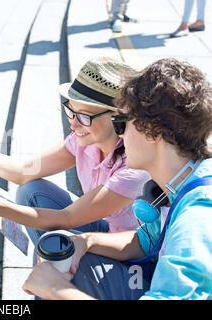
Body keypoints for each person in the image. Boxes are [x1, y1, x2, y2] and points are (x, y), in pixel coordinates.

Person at [22, 58, 212, 300]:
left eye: (121, 124)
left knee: (69, 276)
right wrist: (85, 240)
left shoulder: (197, 217)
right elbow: (145, 241)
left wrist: (56, 290)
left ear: (152, 131)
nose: (119, 136)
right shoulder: (184, 180)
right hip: (149, 274)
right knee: (68, 258)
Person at [0, 57, 150, 245]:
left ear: (118, 118)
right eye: (71, 111)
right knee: (30, 190)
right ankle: (51, 263)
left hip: (133, 252)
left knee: (55, 249)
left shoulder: (135, 166)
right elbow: (23, 171)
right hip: (108, 230)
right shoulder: (86, 141)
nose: (74, 124)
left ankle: (53, 265)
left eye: (85, 116)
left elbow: (68, 217)